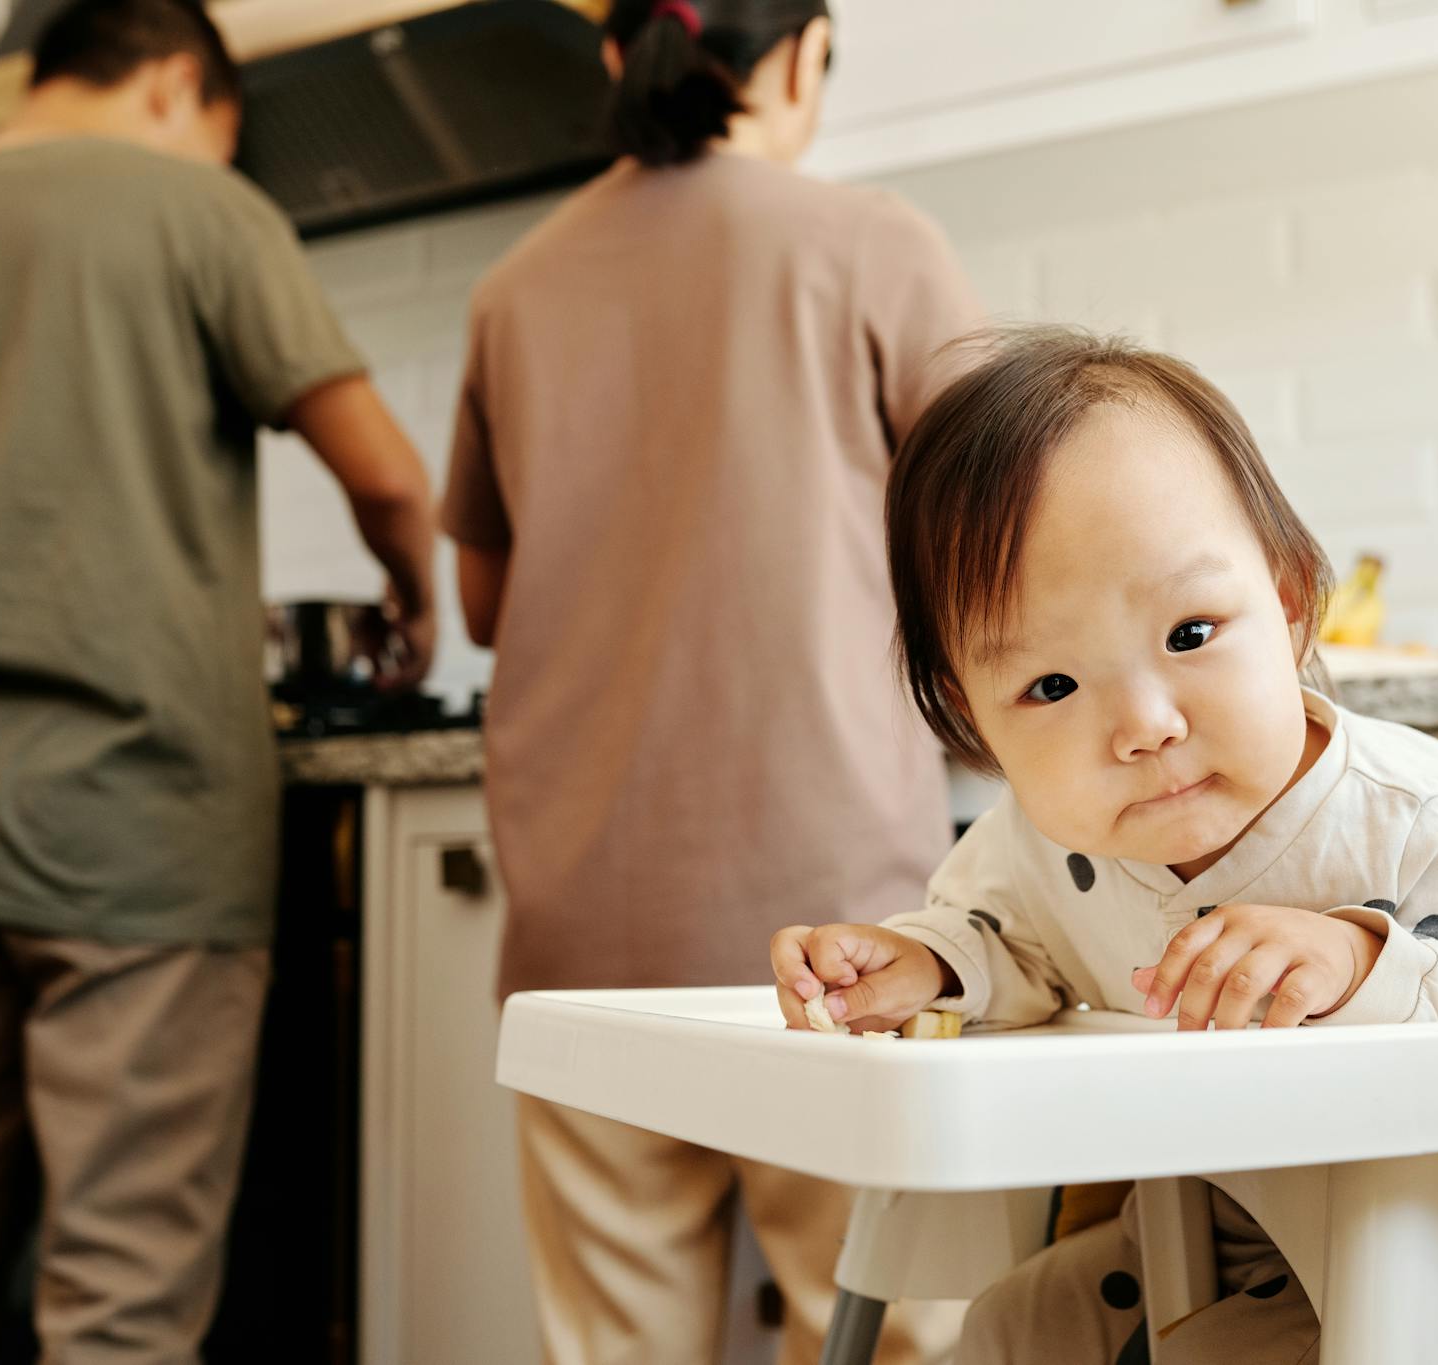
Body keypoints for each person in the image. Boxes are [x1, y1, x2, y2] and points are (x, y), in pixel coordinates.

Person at [770, 328, 1438, 1363]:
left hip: (1434, 1272)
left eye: (1189, 634)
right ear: (975, 722)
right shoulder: (1037, 844)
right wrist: (919, 969)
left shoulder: (1421, 819)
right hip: (1195, 1247)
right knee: (1008, 1324)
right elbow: (1006, 947)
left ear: (1284, 605)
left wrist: (1359, 963)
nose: (1142, 725)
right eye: (1049, 687)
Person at [0, 1, 439, 1359]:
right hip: (143, 823)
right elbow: (382, 471)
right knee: (119, 1297)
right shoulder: (198, 210)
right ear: (180, 84)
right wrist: (413, 593)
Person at [440, 0, 978, 1360]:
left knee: (616, 1346)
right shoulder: (871, 245)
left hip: (582, 934)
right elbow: (998, 546)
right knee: (885, 1329)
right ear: (800, 53)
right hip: (843, 931)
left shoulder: (514, 286)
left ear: (614, 56)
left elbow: (487, 601)